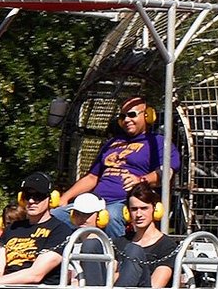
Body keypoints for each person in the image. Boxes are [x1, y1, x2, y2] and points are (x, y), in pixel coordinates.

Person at [61, 97, 166, 235]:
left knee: (112, 216)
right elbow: (92, 177)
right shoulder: (112, 143)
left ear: (148, 115)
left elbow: (166, 172)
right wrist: (65, 197)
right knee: (57, 215)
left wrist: (141, 180)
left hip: (124, 201)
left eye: (132, 115)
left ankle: (117, 254)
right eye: (123, 116)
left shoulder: (157, 142)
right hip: (96, 202)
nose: (127, 120)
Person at [0, 171, 75, 286]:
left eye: (38, 196)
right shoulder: (12, 228)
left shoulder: (60, 230)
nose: (32, 201)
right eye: (27, 196)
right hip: (3, 287)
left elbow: (35, 275)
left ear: (51, 199)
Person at [114, 188, 180, 289]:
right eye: (134, 209)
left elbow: (156, 286)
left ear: (155, 210)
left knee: (134, 250)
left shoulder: (167, 246)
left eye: (144, 208)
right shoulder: (119, 242)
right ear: (127, 212)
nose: (139, 214)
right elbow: (108, 277)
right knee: (92, 245)